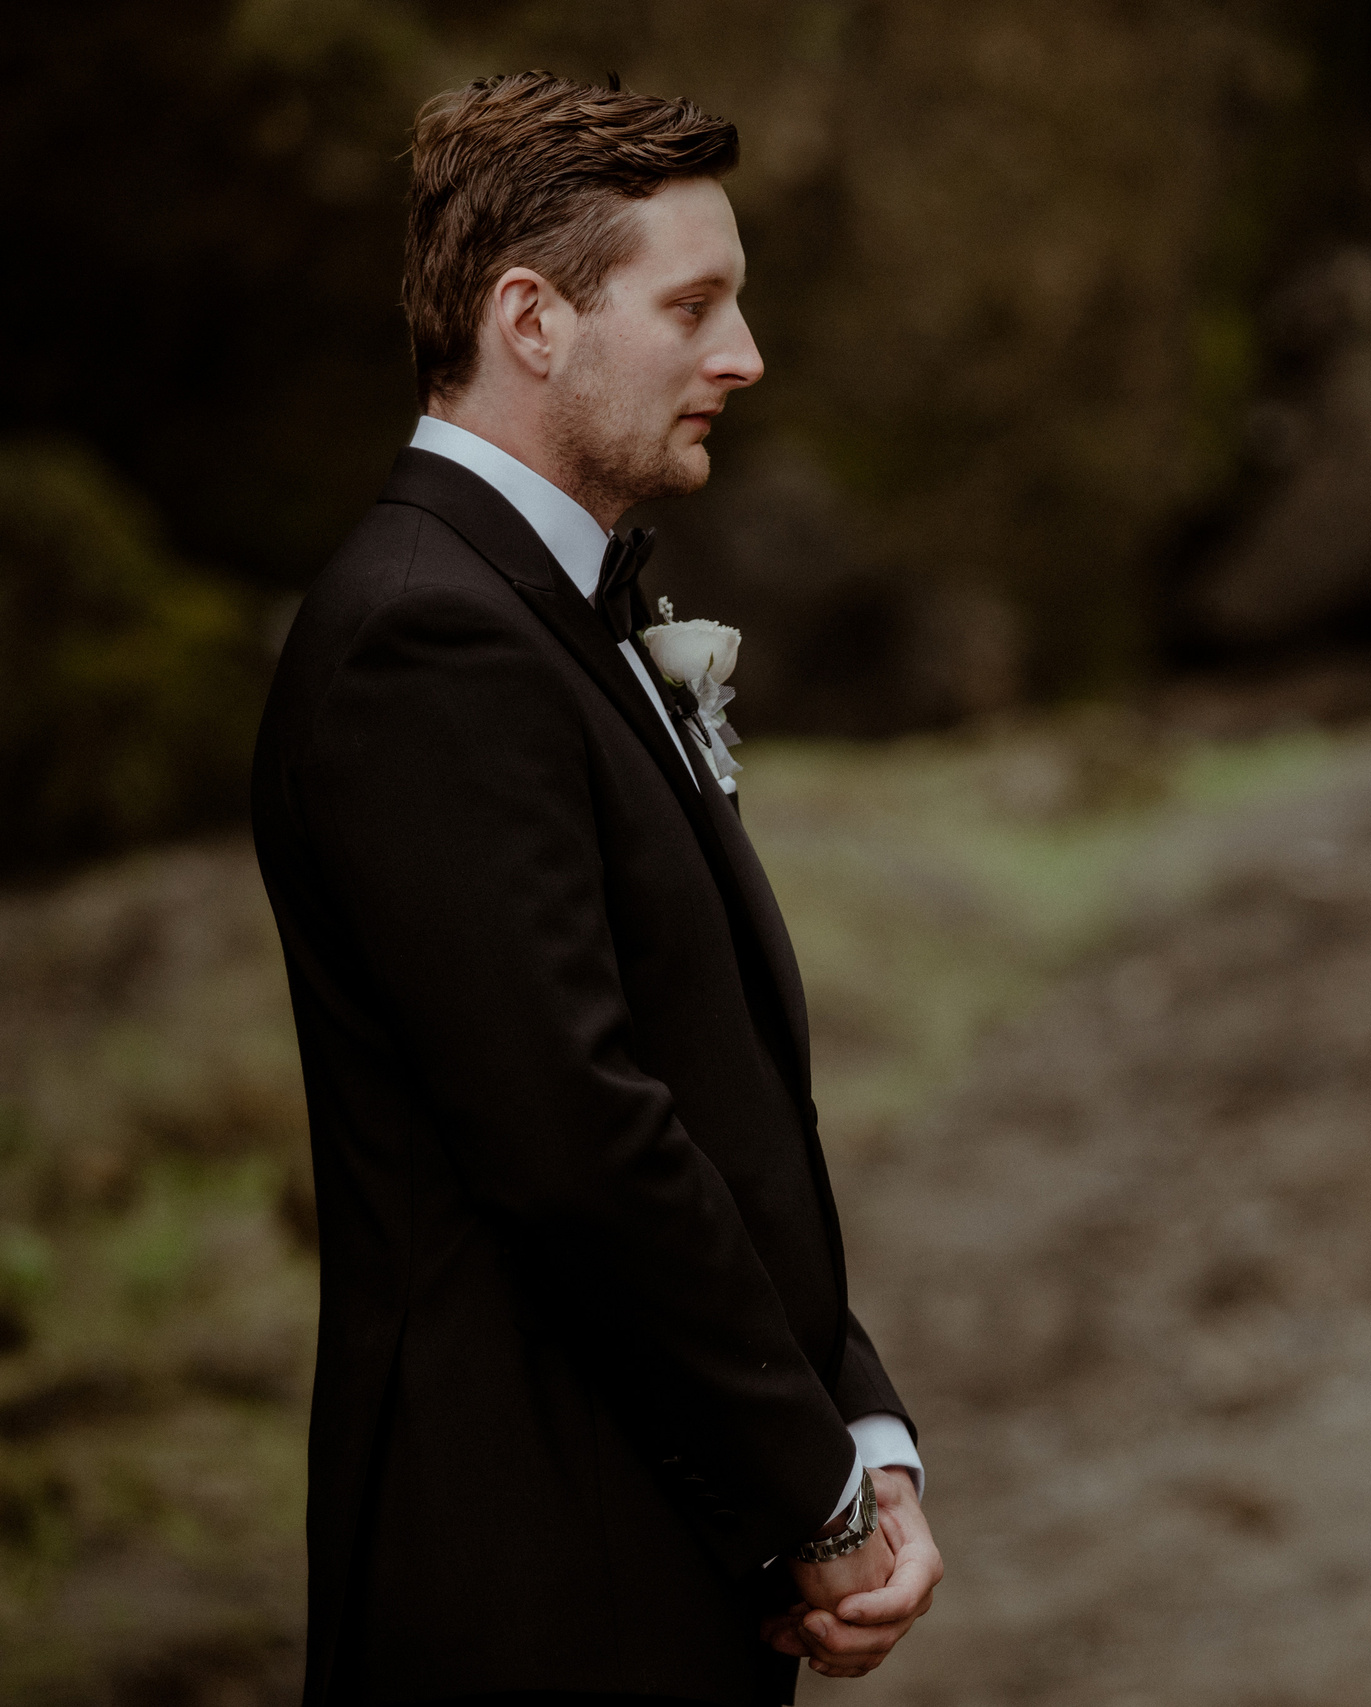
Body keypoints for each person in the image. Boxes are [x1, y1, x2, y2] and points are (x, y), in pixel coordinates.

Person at [251, 73, 939, 1704]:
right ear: (530, 318)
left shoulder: (553, 609)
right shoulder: (424, 640)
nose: (744, 358)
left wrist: (863, 1423)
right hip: (528, 1564)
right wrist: (815, 1495)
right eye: (693, 306)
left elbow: (716, 1090)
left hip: (653, 1521)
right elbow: (579, 1135)